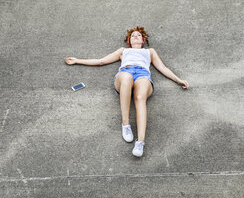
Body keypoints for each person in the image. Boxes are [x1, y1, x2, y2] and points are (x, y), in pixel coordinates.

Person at [64, 26, 189, 157]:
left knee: (140, 98)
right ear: (129, 40)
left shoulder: (150, 52)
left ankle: (140, 142)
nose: (136, 36)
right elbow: (101, 61)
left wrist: (178, 80)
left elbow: (163, 68)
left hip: (143, 74)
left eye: (139, 35)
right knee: (127, 77)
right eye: (133, 35)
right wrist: (77, 60)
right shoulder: (123, 51)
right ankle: (126, 124)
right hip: (125, 72)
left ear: (143, 40)